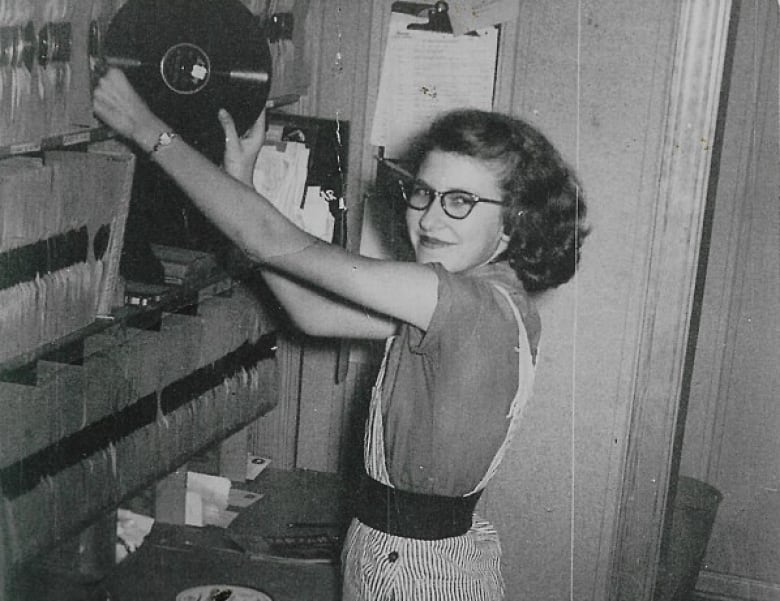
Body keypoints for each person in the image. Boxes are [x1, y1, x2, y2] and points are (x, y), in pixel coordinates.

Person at [93, 68, 589, 600]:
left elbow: (269, 238)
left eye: (460, 201)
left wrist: (149, 131)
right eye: (423, 192)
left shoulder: (459, 303)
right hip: (416, 555)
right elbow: (312, 312)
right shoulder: (488, 302)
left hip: (415, 571)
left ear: (514, 221)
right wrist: (239, 188)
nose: (428, 218)